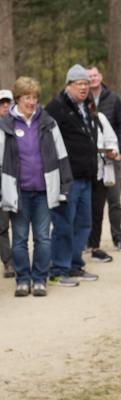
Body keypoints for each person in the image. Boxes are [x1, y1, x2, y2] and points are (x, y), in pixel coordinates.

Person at [0, 77, 73, 296]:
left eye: (34, 98)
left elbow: (62, 156)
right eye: (26, 98)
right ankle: (23, 279)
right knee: (20, 238)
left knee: (43, 237)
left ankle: (40, 279)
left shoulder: (48, 123)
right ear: (18, 99)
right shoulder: (6, 126)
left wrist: (64, 186)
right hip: (18, 192)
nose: (31, 102)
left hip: (43, 191)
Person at [45, 64, 101, 286]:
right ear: (68, 85)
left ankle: (75, 264)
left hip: (86, 175)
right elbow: (47, 142)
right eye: (80, 84)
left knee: (83, 224)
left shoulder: (87, 106)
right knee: (63, 224)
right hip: (66, 178)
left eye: (87, 83)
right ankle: (58, 268)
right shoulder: (56, 108)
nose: (84, 88)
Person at [87, 66, 121, 253]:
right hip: (90, 160)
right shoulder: (82, 100)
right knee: (91, 203)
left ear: (101, 77)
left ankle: (118, 238)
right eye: (89, 77)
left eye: (95, 75)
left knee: (114, 200)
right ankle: (90, 241)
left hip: (111, 158)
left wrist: (118, 149)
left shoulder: (112, 99)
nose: (92, 79)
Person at [0, 89, 15, 278]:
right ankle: (8, 261)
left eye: (8, 103)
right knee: (2, 224)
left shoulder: (19, 125)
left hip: (18, 175)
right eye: (1, 103)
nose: (5, 106)